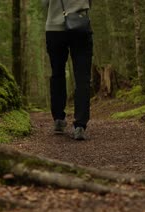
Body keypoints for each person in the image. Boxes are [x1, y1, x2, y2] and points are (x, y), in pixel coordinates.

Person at [42, 0, 93, 140]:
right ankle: (80, 125)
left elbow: (44, 3)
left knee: (57, 73)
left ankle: (58, 119)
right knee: (82, 77)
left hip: (54, 28)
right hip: (80, 24)